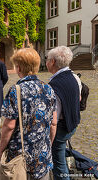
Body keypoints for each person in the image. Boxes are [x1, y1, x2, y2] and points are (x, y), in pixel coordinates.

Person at [0, 48, 57, 179]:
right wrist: (47, 145)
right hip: (43, 156)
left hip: (20, 158)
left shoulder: (15, 91)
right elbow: (54, 123)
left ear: (18, 68)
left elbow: (9, 126)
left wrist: (1, 150)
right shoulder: (49, 89)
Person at [46, 46, 81, 180]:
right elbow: (78, 99)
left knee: (59, 164)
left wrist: (50, 140)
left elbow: (53, 121)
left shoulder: (54, 85)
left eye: (47, 59)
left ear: (53, 62)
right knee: (63, 157)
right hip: (73, 122)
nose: (47, 62)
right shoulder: (74, 77)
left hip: (61, 129)